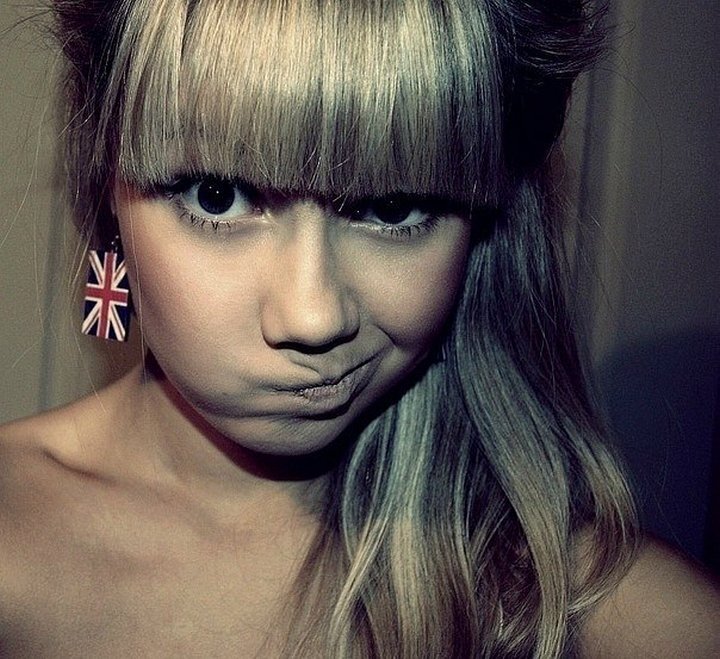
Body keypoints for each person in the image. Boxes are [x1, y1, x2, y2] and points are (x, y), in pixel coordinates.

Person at [0, 0, 718, 656]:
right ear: (109, 185)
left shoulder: (617, 618)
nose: (312, 317)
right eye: (217, 196)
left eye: (392, 207)